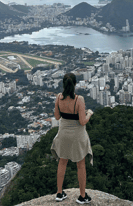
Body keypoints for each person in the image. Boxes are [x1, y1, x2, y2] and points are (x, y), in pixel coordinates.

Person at [51, 72, 94, 204]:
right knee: (80, 165)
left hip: (63, 135)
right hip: (77, 136)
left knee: (62, 162)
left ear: (63, 84)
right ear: (75, 84)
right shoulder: (78, 99)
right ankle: (82, 196)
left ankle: (59, 193)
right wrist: (89, 114)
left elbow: (57, 117)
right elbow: (82, 121)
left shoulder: (59, 97)